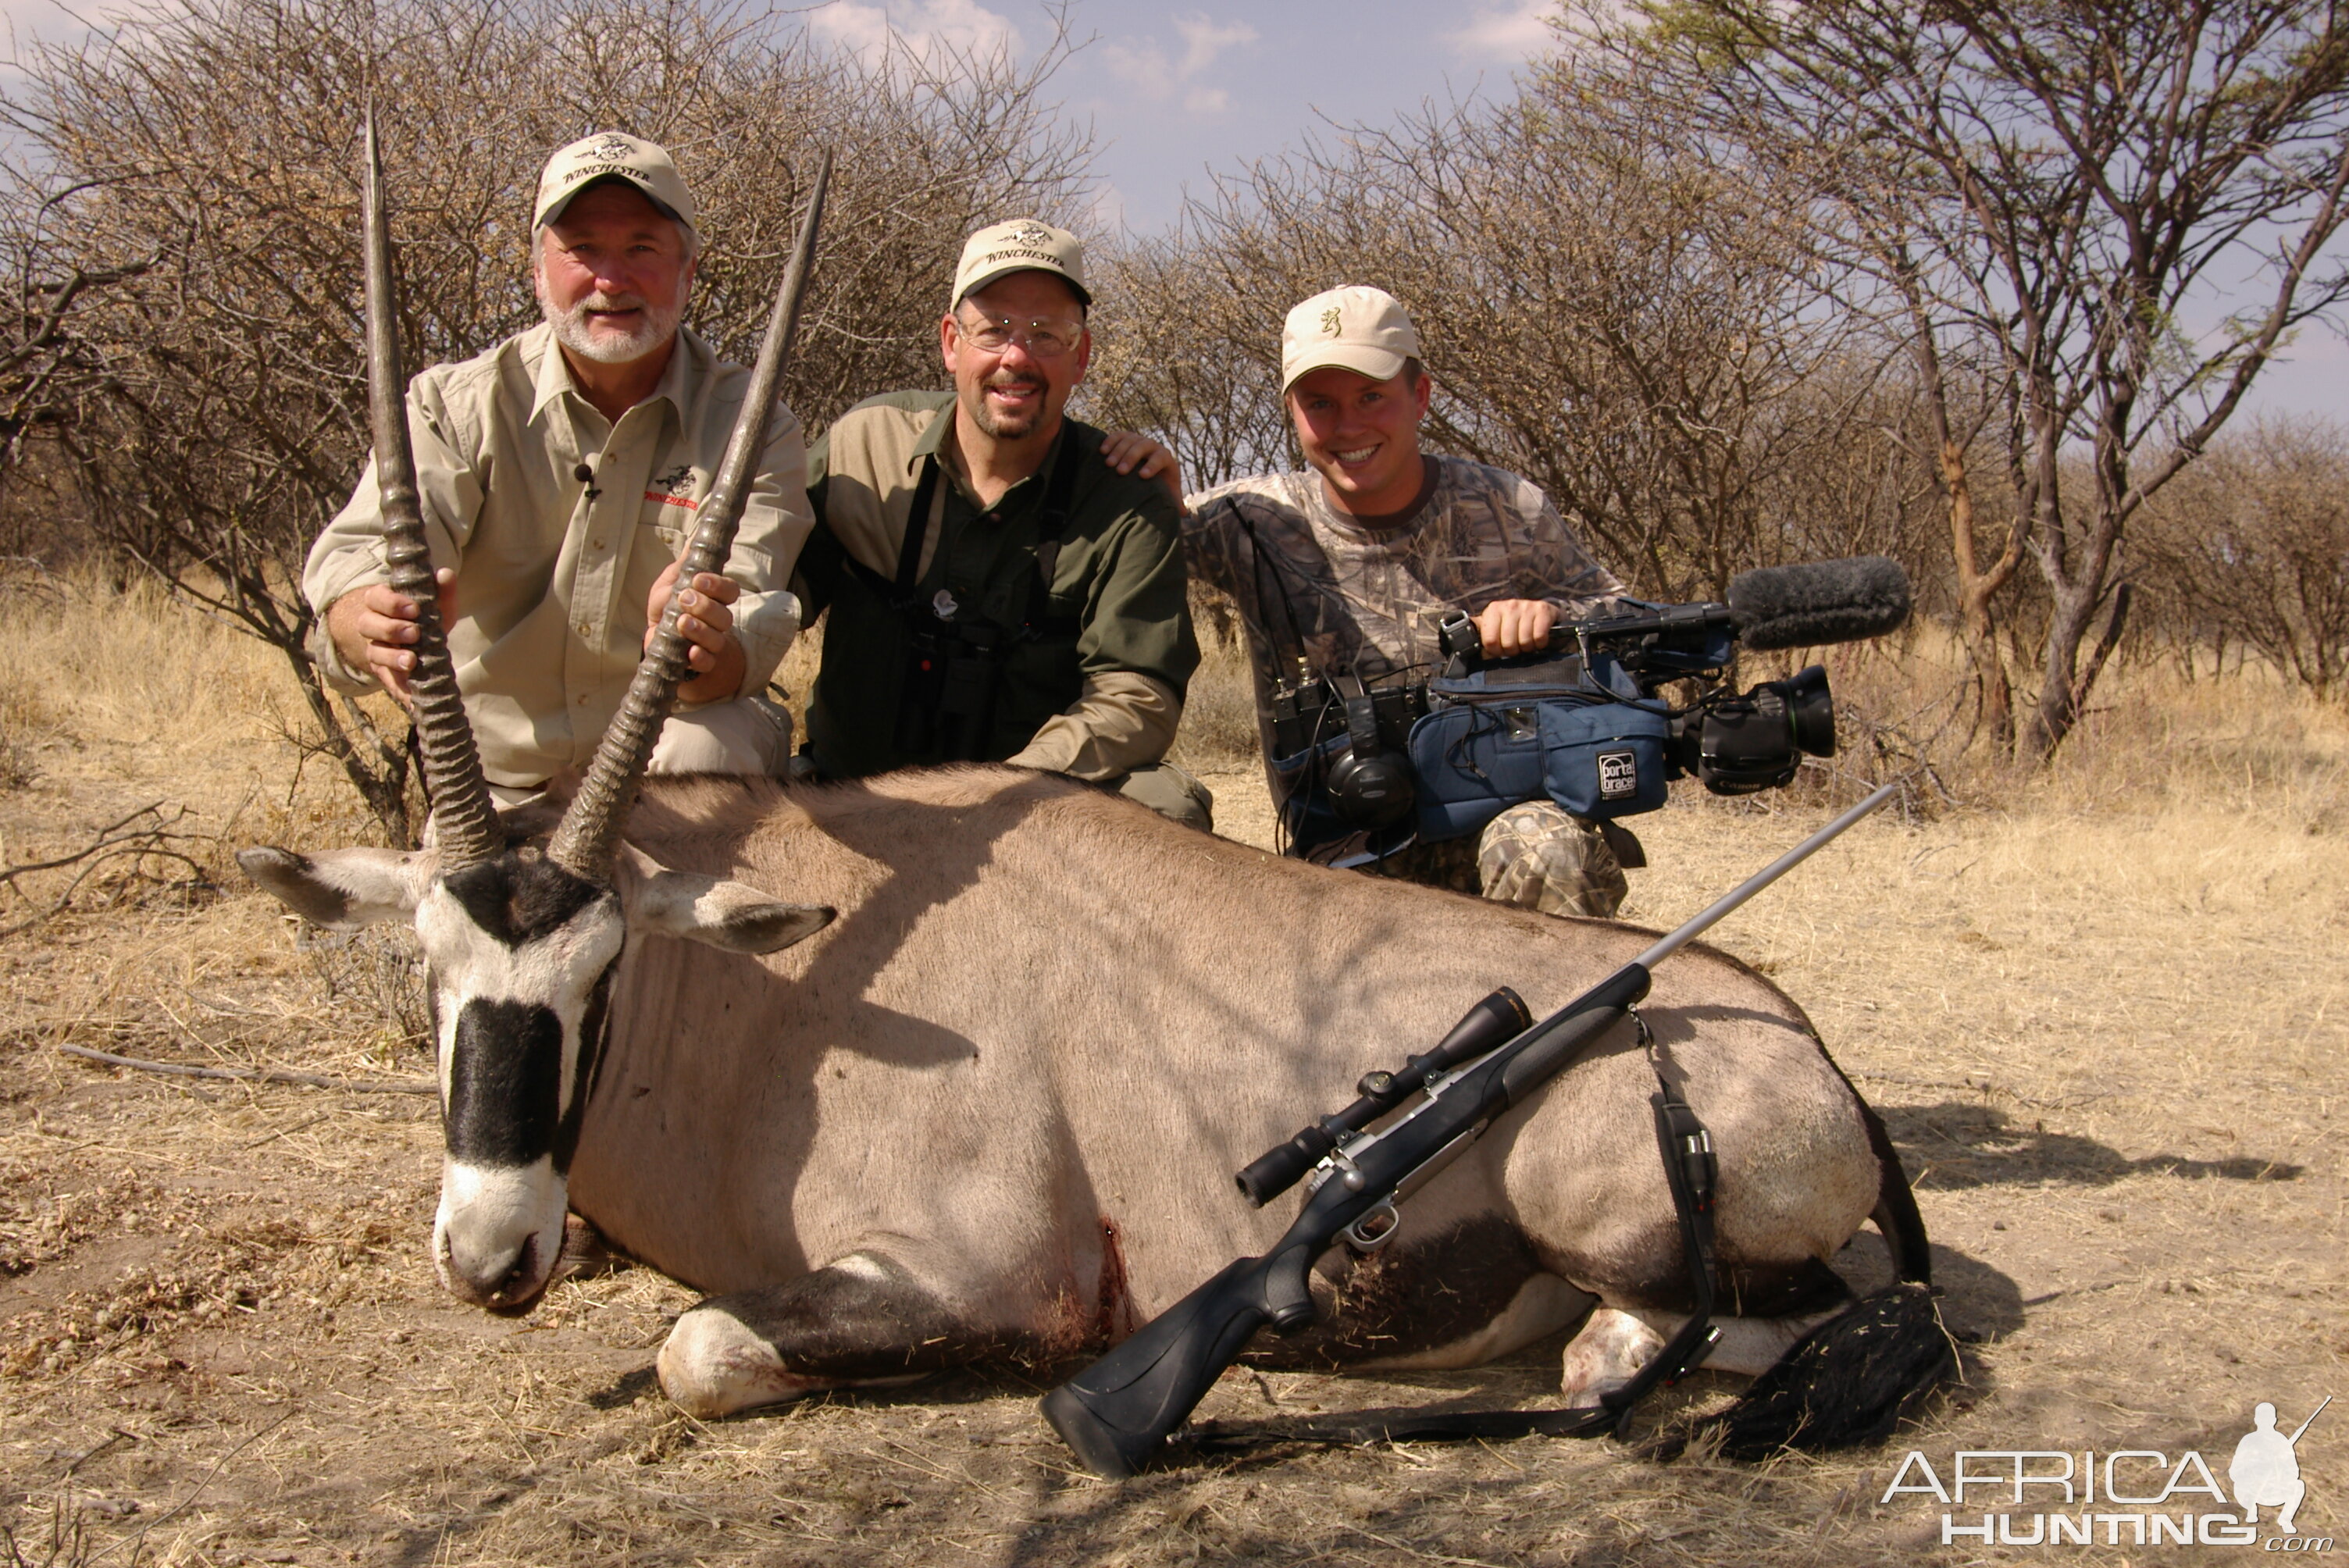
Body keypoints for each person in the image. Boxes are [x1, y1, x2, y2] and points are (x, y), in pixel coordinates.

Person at [305, 132, 811, 805]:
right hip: (497, 782)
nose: (611, 280)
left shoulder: (757, 426)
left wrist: (694, 647)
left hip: (664, 779)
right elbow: (359, 570)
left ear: (688, 271)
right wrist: (369, 622)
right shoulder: (447, 407)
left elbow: (745, 628)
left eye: (642, 249)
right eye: (582, 250)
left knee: (705, 744)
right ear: (539, 270)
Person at [1183, 284, 1633, 915]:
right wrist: (1132, 472)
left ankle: (1567, 1011)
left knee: (1548, 848)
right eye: (1321, 404)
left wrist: (1556, 619)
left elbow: (1629, 623)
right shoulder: (1247, 522)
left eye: (1372, 396)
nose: (1348, 427)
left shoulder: (1509, 508)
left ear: (1419, 396)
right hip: (1342, 850)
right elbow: (1114, 542)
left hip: (1502, 827)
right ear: (1292, 410)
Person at [790, 219, 1210, 829]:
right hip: (854, 798)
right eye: (994, 331)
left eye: (1047, 335)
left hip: (1026, 815)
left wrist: (999, 792)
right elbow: (764, 595)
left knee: (1166, 809)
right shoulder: (864, 444)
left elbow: (1137, 697)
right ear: (950, 343)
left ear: (1082, 355)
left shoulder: (1126, 495)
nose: (1017, 357)